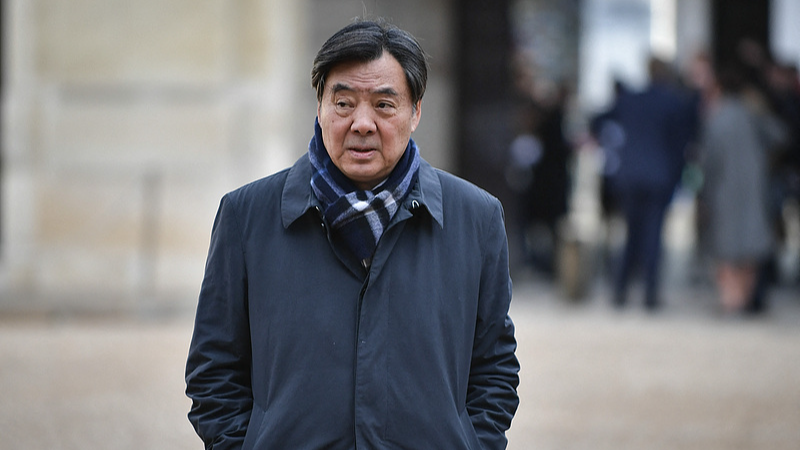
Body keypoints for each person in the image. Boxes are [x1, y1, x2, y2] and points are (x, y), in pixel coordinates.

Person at [185, 18, 520, 449]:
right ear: (320, 107)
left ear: (415, 112)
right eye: (343, 103)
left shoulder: (475, 218)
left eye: (384, 105)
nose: (362, 123)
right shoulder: (247, 216)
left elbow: (495, 368)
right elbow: (213, 370)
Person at [604, 56, 697, 310]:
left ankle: (620, 290)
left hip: (630, 176)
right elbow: (681, 144)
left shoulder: (631, 99)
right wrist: (677, 177)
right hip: (659, 177)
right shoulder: (673, 102)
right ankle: (650, 293)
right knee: (653, 236)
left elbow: (600, 120)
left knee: (631, 234)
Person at [698, 64, 786, 314]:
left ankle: (730, 300)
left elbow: (709, 162)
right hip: (753, 189)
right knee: (750, 249)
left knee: (725, 249)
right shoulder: (752, 114)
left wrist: (704, 195)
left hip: (724, 191)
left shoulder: (716, 119)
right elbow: (780, 136)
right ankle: (744, 299)